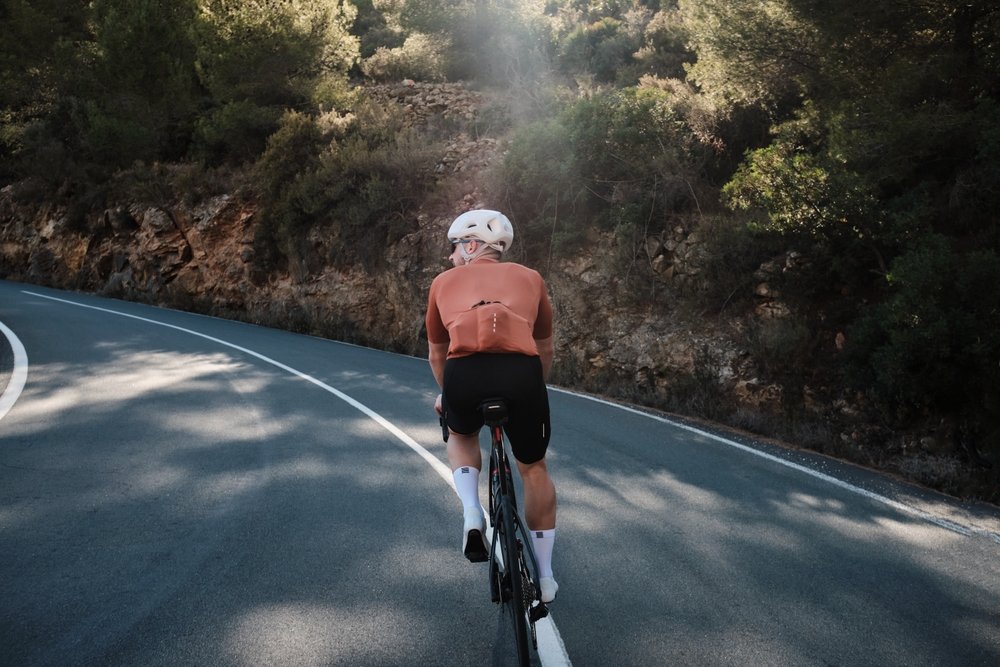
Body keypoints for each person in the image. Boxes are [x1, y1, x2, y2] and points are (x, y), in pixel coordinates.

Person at [425, 209, 559, 603]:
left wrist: (446, 394)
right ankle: (546, 576)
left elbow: (437, 354)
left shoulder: (442, 283)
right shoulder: (532, 278)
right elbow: (546, 347)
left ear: (470, 245)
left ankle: (471, 512)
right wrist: (535, 389)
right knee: (533, 467)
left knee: (461, 432)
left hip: (464, 374)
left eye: (454, 248)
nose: (451, 258)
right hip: (523, 374)